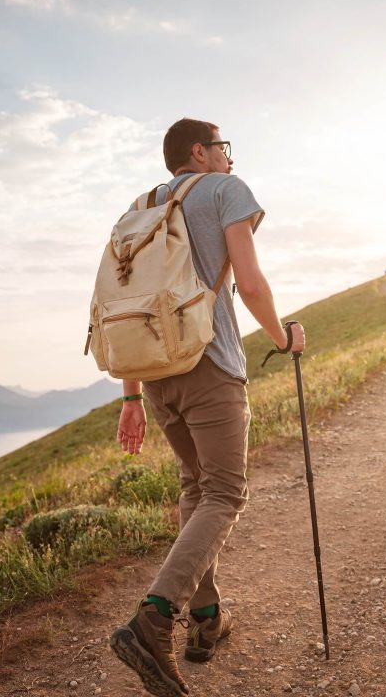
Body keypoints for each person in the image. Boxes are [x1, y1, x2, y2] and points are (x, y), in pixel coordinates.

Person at [109, 118, 305, 697]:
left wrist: (130, 395)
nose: (228, 157)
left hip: (154, 373)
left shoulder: (139, 206)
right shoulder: (225, 191)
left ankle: (204, 622)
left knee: (196, 488)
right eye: (223, 146)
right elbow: (249, 282)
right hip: (210, 365)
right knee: (225, 492)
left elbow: (123, 302)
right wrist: (282, 337)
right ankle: (155, 618)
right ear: (201, 151)